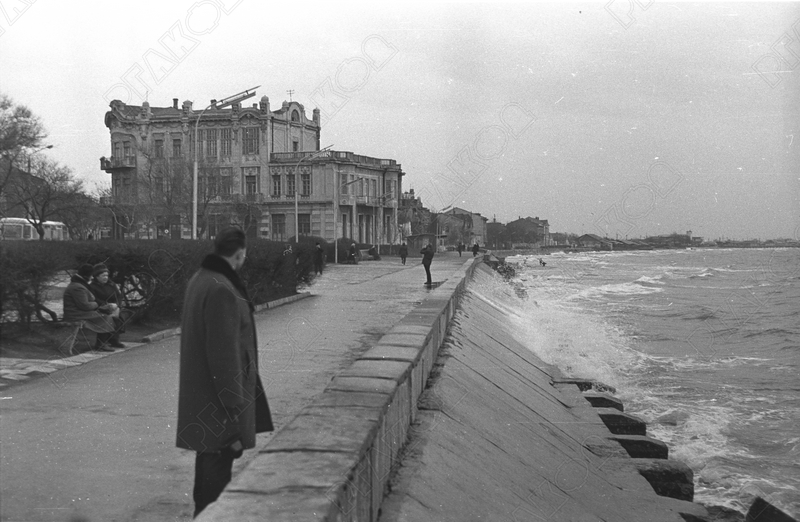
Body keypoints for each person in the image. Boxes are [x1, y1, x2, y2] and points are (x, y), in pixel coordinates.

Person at [176, 227, 274, 518]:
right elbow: (224, 356)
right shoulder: (222, 288)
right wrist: (234, 407)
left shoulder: (201, 279)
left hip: (204, 396)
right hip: (220, 404)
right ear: (240, 254)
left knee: (208, 467)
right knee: (216, 478)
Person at [62, 264, 117, 352]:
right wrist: (96, 304)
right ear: (86, 276)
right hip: (76, 314)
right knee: (106, 317)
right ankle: (101, 344)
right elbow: (85, 305)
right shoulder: (78, 287)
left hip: (78, 312)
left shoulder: (78, 284)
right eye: (91, 275)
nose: (92, 278)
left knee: (106, 314)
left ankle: (104, 342)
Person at [88, 264, 126, 348]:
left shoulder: (112, 284)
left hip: (113, 306)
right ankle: (101, 342)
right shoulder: (92, 287)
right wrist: (107, 305)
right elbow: (94, 299)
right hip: (100, 308)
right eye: (103, 276)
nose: (105, 277)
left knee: (117, 317)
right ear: (97, 276)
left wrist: (116, 304)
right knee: (108, 317)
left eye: (107, 275)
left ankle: (114, 340)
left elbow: (119, 296)